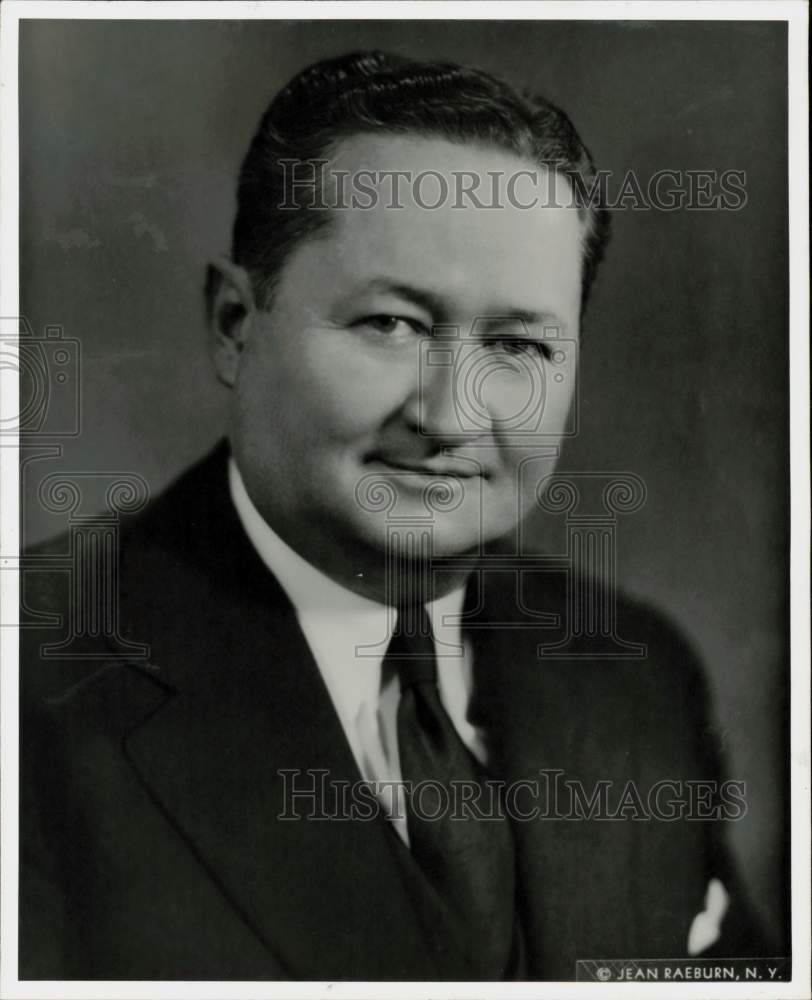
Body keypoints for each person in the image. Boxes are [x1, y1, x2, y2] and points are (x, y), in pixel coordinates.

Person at [19, 50, 765, 981]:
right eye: (391, 325)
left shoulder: (633, 679)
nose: (450, 415)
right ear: (234, 326)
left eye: (517, 344)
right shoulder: (37, 683)